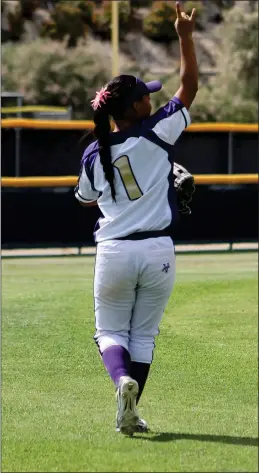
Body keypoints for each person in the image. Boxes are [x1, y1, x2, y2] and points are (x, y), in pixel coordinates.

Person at [75, 2, 198, 436]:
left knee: (109, 330)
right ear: (136, 106)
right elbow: (188, 88)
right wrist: (184, 37)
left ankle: (120, 383)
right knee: (143, 336)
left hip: (115, 251)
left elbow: (87, 200)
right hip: (159, 248)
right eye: (147, 94)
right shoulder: (156, 131)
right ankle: (129, 410)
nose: (153, 97)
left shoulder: (94, 151)